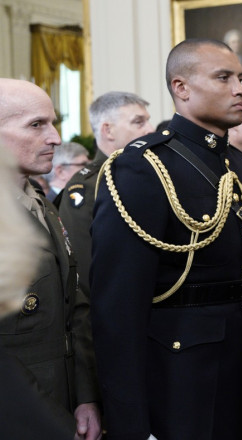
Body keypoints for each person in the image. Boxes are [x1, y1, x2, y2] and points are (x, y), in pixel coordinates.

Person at [90, 39, 242, 440]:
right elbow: (117, 310)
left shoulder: (237, 161)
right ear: (181, 88)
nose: (240, 88)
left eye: (239, 78)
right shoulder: (144, 166)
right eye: (224, 78)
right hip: (183, 379)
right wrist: (131, 424)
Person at [0, 78, 101, 440]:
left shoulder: (41, 204)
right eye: (36, 124)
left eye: (53, 122)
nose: (56, 137)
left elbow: (75, 309)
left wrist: (86, 399)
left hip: (65, 402)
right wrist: (53, 425)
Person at [57, 91, 154, 297]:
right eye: (139, 122)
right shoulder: (88, 185)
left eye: (148, 121)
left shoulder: (151, 175)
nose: (150, 130)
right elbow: (82, 266)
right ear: (108, 130)